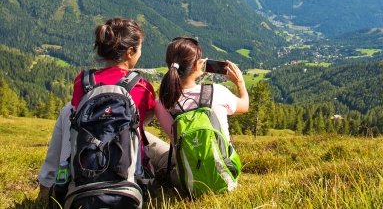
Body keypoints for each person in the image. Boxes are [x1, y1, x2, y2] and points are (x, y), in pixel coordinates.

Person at [38, 17, 156, 198]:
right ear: (130, 52)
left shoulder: (82, 82)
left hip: (85, 170)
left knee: (66, 111)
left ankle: (47, 187)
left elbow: (77, 114)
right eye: (140, 48)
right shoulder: (142, 86)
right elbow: (145, 120)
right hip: (130, 175)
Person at [151, 36, 249, 184]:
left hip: (186, 180)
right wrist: (240, 83)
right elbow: (244, 106)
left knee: (151, 142)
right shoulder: (217, 92)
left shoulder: (161, 103)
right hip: (226, 175)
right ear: (197, 65)